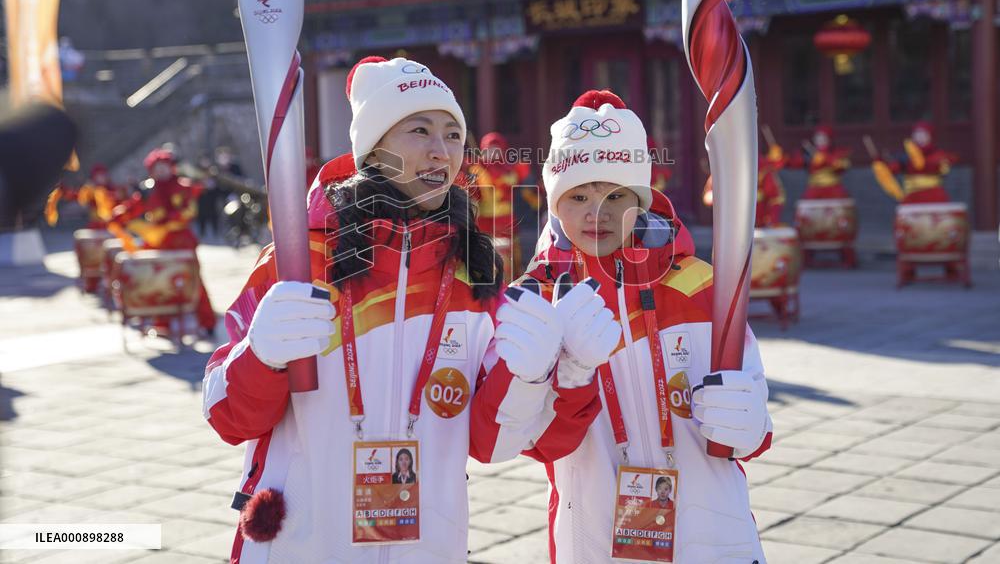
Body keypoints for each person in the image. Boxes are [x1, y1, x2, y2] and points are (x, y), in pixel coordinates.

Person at [202, 57, 621, 563]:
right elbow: (226, 414)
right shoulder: (301, 260)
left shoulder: (475, 273)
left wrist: (534, 376)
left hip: (427, 543)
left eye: (451, 135)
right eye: (419, 130)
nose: (440, 150)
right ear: (373, 149)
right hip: (302, 542)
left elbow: (493, 442)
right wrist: (261, 354)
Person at [521, 89, 772, 563]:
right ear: (555, 205)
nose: (598, 213)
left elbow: (753, 420)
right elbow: (531, 441)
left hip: (712, 536)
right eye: (578, 196)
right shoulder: (538, 299)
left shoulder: (699, 286)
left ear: (642, 197)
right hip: (593, 536)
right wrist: (564, 381)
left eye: (616, 195)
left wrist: (751, 421)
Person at [111, 148, 216, 335]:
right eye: (157, 168)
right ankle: (162, 323)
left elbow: (188, 211)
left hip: (181, 241)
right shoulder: (148, 189)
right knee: (156, 281)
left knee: (192, 281)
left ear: (172, 167)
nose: (161, 171)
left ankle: (207, 322)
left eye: (164, 166)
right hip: (159, 243)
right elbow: (132, 207)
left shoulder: (183, 186)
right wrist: (118, 213)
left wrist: (169, 219)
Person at [468, 131, 540, 280]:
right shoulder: (477, 170)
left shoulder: (511, 169)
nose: (492, 153)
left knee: (512, 259)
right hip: (485, 222)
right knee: (488, 258)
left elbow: (526, 187)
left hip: (507, 221)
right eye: (489, 149)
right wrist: (477, 176)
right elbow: (475, 195)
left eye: (496, 148)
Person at [883, 121, 958, 203]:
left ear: (931, 136)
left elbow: (945, 167)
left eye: (924, 135)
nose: (920, 138)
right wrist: (883, 165)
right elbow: (892, 169)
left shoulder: (938, 154)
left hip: (935, 196)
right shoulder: (906, 156)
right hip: (912, 197)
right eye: (917, 135)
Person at [783, 124, 852, 199]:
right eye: (818, 138)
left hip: (833, 188)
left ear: (829, 139)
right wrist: (781, 158)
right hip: (814, 189)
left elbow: (843, 166)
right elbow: (794, 163)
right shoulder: (808, 154)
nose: (820, 140)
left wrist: (826, 159)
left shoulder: (836, 153)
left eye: (823, 138)